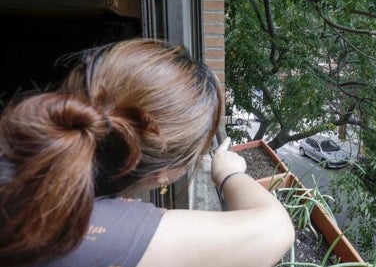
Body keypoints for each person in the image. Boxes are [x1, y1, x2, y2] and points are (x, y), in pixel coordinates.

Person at [0, 39, 295, 267]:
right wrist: (229, 173)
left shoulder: (13, 149)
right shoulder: (93, 230)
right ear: (164, 174)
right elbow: (275, 230)